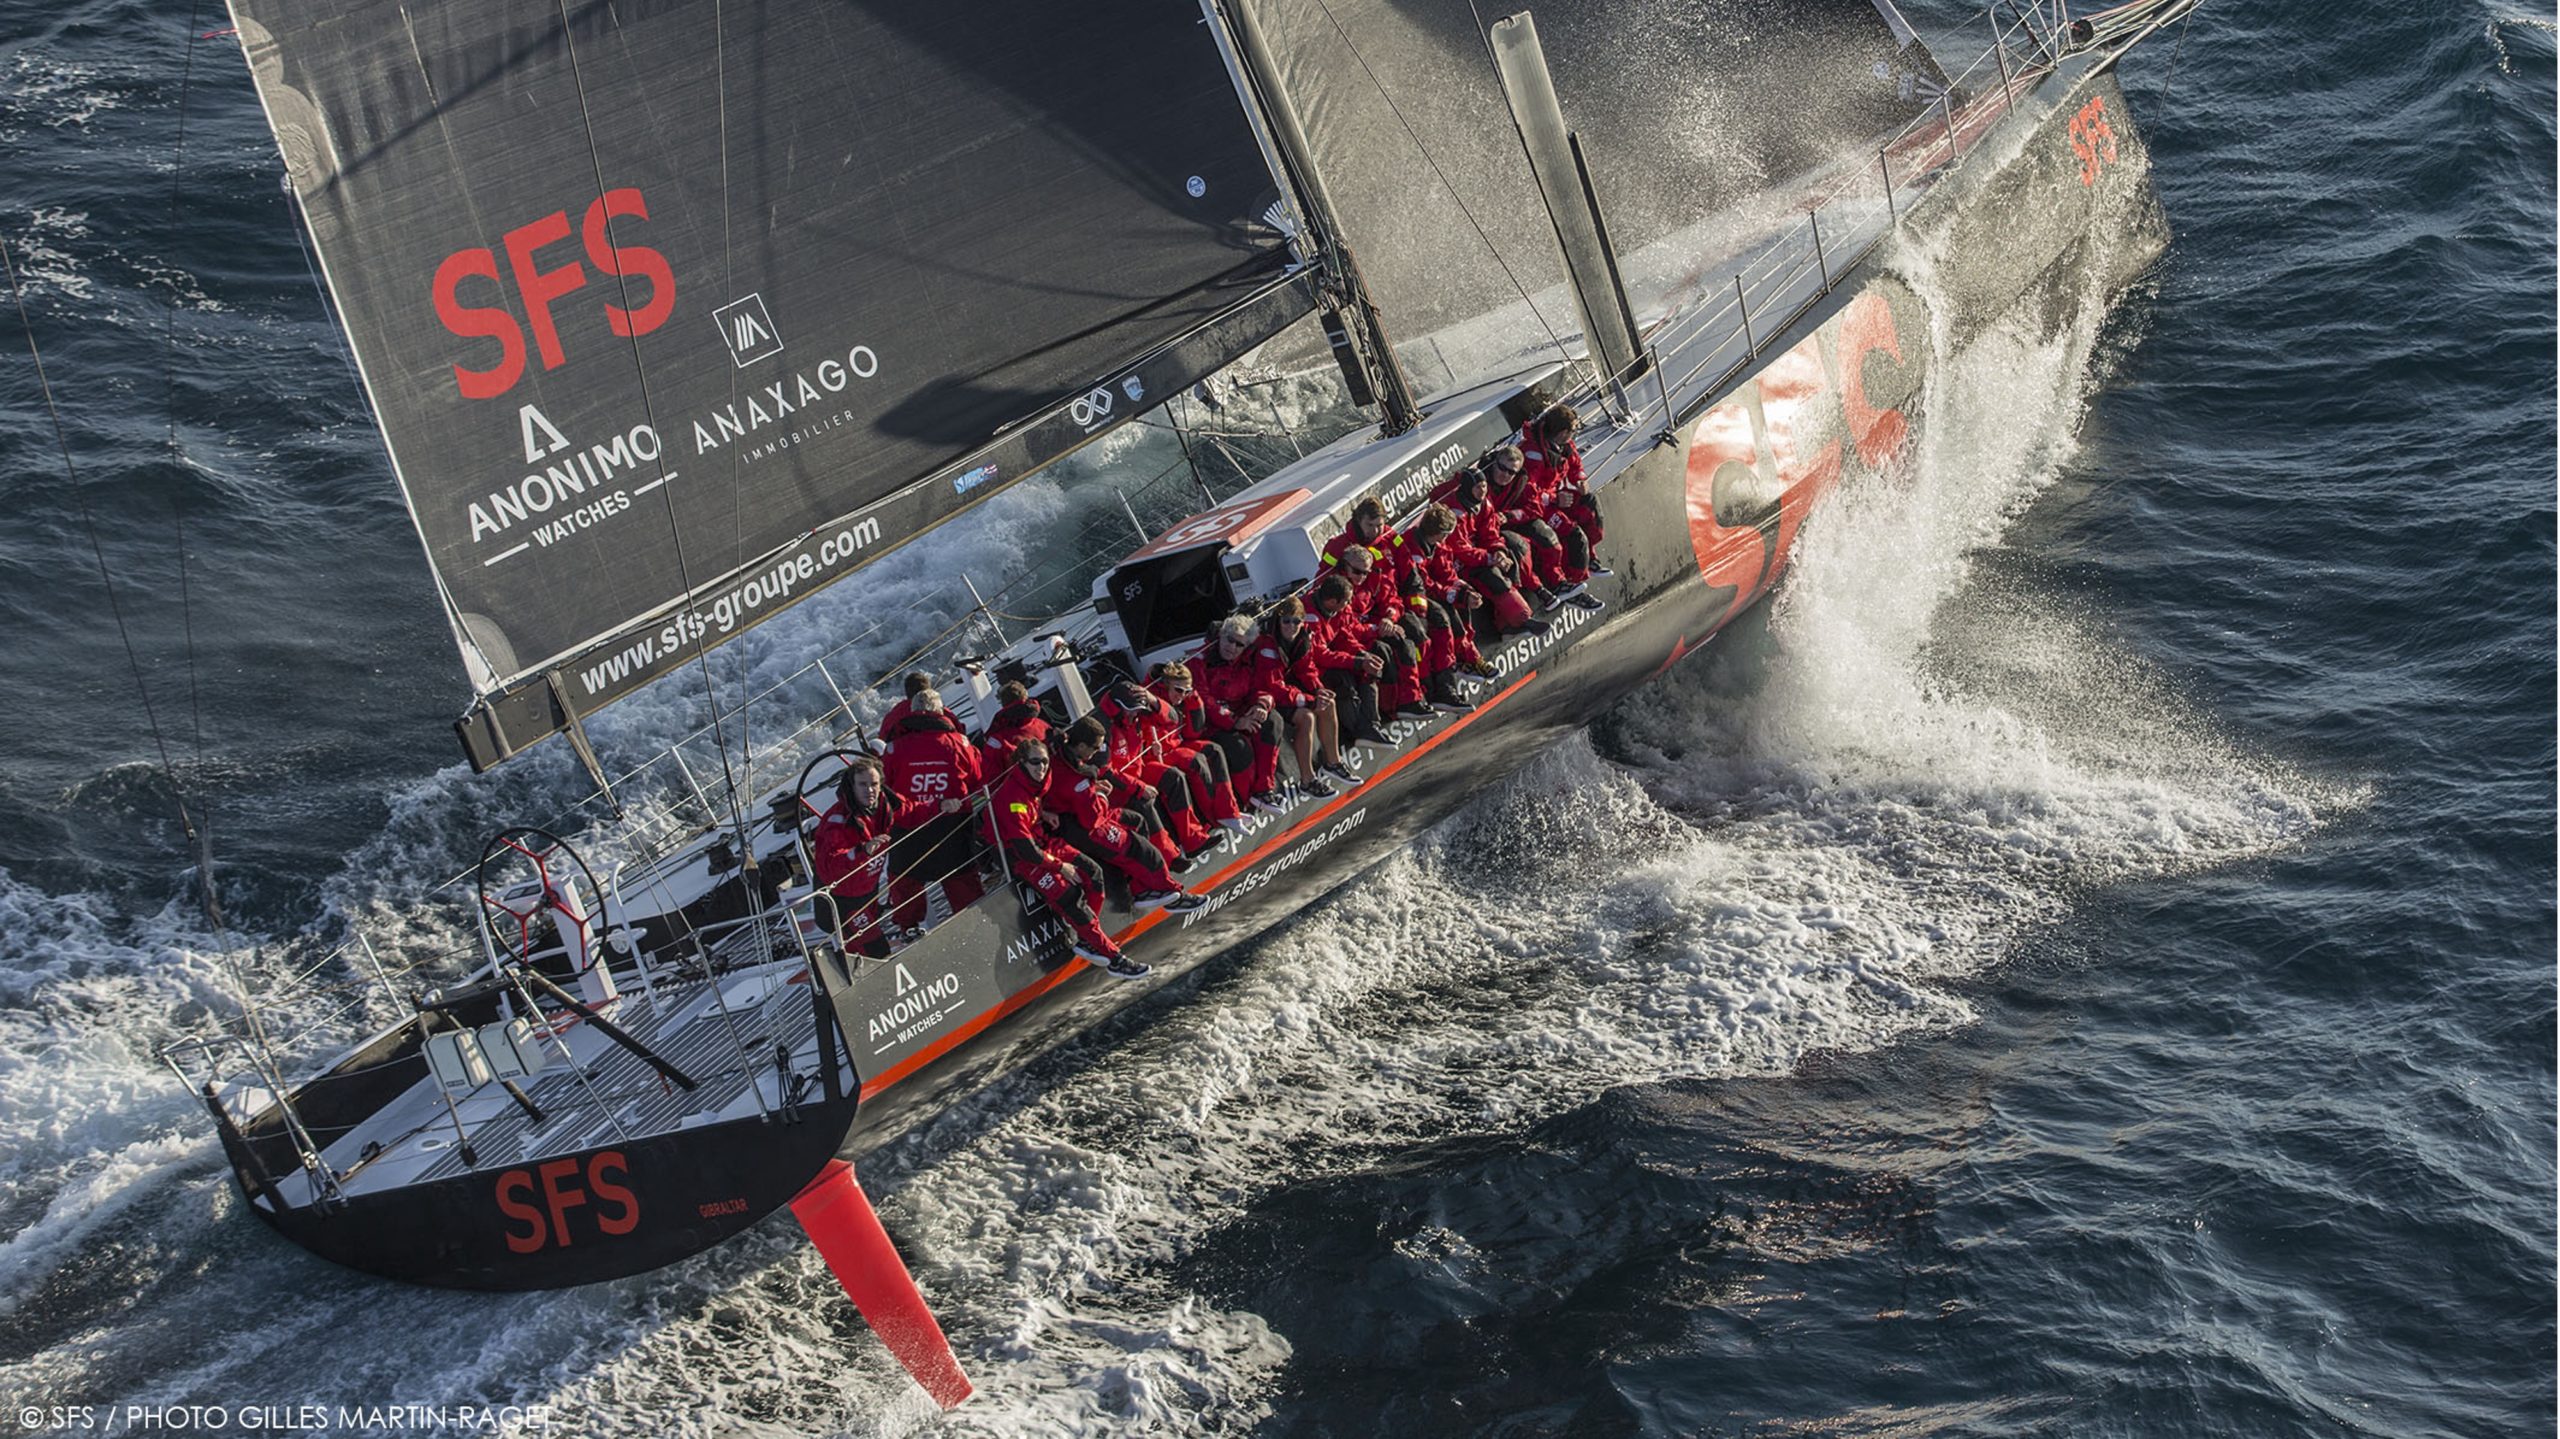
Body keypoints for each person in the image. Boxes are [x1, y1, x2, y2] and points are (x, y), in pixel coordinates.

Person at [985, 740, 1146, 979]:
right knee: (1071, 897)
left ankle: (1087, 937)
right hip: (1023, 858)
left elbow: (1030, 810)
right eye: (1035, 762)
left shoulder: (1036, 783)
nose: (1041, 767)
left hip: (1042, 840)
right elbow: (1024, 848)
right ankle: (1114, 958)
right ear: (1021, 763)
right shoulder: (1013, 797)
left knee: (1093, 873)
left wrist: (1043, 814)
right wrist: (1060, 867)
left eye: (1045, 761)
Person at [1046, 719, 1199, 908]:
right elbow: (1091, 819)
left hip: (1081, 811)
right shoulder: (1078, 778)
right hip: (1082, 825)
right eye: (1094, 747)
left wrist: (1095, 789)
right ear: (1081, 745)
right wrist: (1101, 794)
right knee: (1142, 850)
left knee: (1138, 821)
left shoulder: (1063, 756)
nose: (1096, 752)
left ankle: (1143, 889)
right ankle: (1172, 891)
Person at [880, 688, 987, 932]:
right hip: (952, 825)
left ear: (913, 711)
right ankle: (976, 927)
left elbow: (884, 788)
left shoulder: (894, 748)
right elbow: (978, 781)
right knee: (963, 881)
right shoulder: (960, 744)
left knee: (905, 880)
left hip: (910, 826)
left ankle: (909, 930)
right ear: (940, 711)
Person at [1097, 680, 1224, 856]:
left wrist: (1153, 700)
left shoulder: (1138, 716)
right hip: (1119, 787)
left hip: (1139, 771)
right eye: (1131, 709)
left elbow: (1173, 720)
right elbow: (1106, 772)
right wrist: (1139, 788)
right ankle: (1170, 856)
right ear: (1117, 707)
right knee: (1143, 802)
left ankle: (1194, 839)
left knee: (1174, 777)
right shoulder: (1103, 729)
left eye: (1137, 709)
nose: (1135, 713)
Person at [807, 756, 917, 958]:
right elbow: (830, 866)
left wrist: (942, 805)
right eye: (862, 784)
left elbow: (913, 809)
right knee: (875, 950)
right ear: (852, 786)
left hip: (866, 892)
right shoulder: (838, 820)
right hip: (842, 901)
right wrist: (862, 851)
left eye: (874, 784)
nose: (869, 790)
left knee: (862, 952)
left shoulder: (884, 806)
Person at [1435, 462, 1549, 638]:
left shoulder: (1484, 504)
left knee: (1511, 563)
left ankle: (1508, 622)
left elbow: (1490, 533)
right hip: (1460, 563)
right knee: (1492, 577)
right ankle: (1522, 620)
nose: (1482, 491)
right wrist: (1489, 559)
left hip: (1478, 554)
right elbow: (1460, 549)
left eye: (1484, 486)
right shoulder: (1456, 513)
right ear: (1468, 488)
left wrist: (1499, 551)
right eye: (1478, 487)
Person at [1189, 614, 1290, 812]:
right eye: (1229, 640)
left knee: (1272, 721)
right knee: (1238, 747)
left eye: (1239, 644)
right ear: (1221, 635)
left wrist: (1262, 704)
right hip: (1211, 724)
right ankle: (1247, 801)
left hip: (1239, 713)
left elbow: (1259, 688)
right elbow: (1203, 700)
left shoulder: (1245, 661)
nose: (1232, 648)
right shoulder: (1199, 661)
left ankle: (1264, 789)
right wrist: (1235, 721)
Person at [1485, 443, 1598, 609]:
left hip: (1511, 521)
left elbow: (1534, 508)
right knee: (1520, 548)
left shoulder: (1523, 482)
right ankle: (1539, 593)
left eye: (1511, 472)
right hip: (1489, 531)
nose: (1504, 475)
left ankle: (1566, 586)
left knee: (1551, 540)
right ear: (1495, 463)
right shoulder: (1480, 483)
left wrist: (1511, 516)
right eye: (1502, 468)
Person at [1146, 661, 1250, 833]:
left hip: (1175, 743)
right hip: (1158, 753)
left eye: (1186, 691)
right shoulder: (1153, 697)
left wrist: (1193, 699)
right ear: (1166, 685)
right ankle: (1215, 819)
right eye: (1178, 690)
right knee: (1195, 761)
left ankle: (1230, 812)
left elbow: (1193, 732)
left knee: (1213, 750)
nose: (1181, 695)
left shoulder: (1183, 699)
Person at [1264, 598, 1359, 786]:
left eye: (1296, 621)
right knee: (1306, 717)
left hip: (1288, 690)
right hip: (1270, 697)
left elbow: (1306, 669)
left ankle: (1333, 762)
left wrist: (1318, 690)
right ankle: (1307, 779)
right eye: (1286, 621)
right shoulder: (1267, 646)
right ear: (1278, 621)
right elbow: (1273, 686)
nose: (1292, 626)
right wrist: (1308, 700)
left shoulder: (1302, 638)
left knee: (1328, 703)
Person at [1333, 542, 1429, 718]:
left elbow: (1393, 601)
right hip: (1353, 639)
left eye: (1365, 572)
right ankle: (1389, 709)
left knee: (1407, 643)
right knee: (1382, 654)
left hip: (1373, 630)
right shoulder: (1338, 588)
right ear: (1345, 566)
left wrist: (1389, 618)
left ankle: (1413, 699)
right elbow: (1347, 627)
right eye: (1357, 571)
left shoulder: (1374, 579)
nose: (1361, 576)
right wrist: (1377, 629)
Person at [1521, 403, 1609, 582]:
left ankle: (1590, 557)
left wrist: (1580, 480)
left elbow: (1576, 465)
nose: (1573, 435)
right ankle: (1575, 579)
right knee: (1571, 532)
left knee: (1589, 504)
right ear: (1562, 432)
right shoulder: (1534, 453)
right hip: (1539, 507)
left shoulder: (1564, 445)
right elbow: (1529, 492)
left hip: (1555, 497)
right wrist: (1555, 500)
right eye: (1572, 430)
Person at [1307, 575, 1393, 744]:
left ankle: (1372, 725)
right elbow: (1319, 655)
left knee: (1368, 667)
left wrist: (1362, 654)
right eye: (1346, 602)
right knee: (1343, 680)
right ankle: (1359, 730)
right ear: (1332, 602)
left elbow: (1344, 635)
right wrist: (1356, 661)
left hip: (1328, 657)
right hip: (1311, 668)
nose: (1349, 605)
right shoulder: (1309, 616)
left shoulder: (1337, 608)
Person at [978, 680, 1049, 766]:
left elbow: (991, 771)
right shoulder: (1041, 724)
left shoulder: (999, 739)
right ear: (1025, 696)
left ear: (1003, 703)